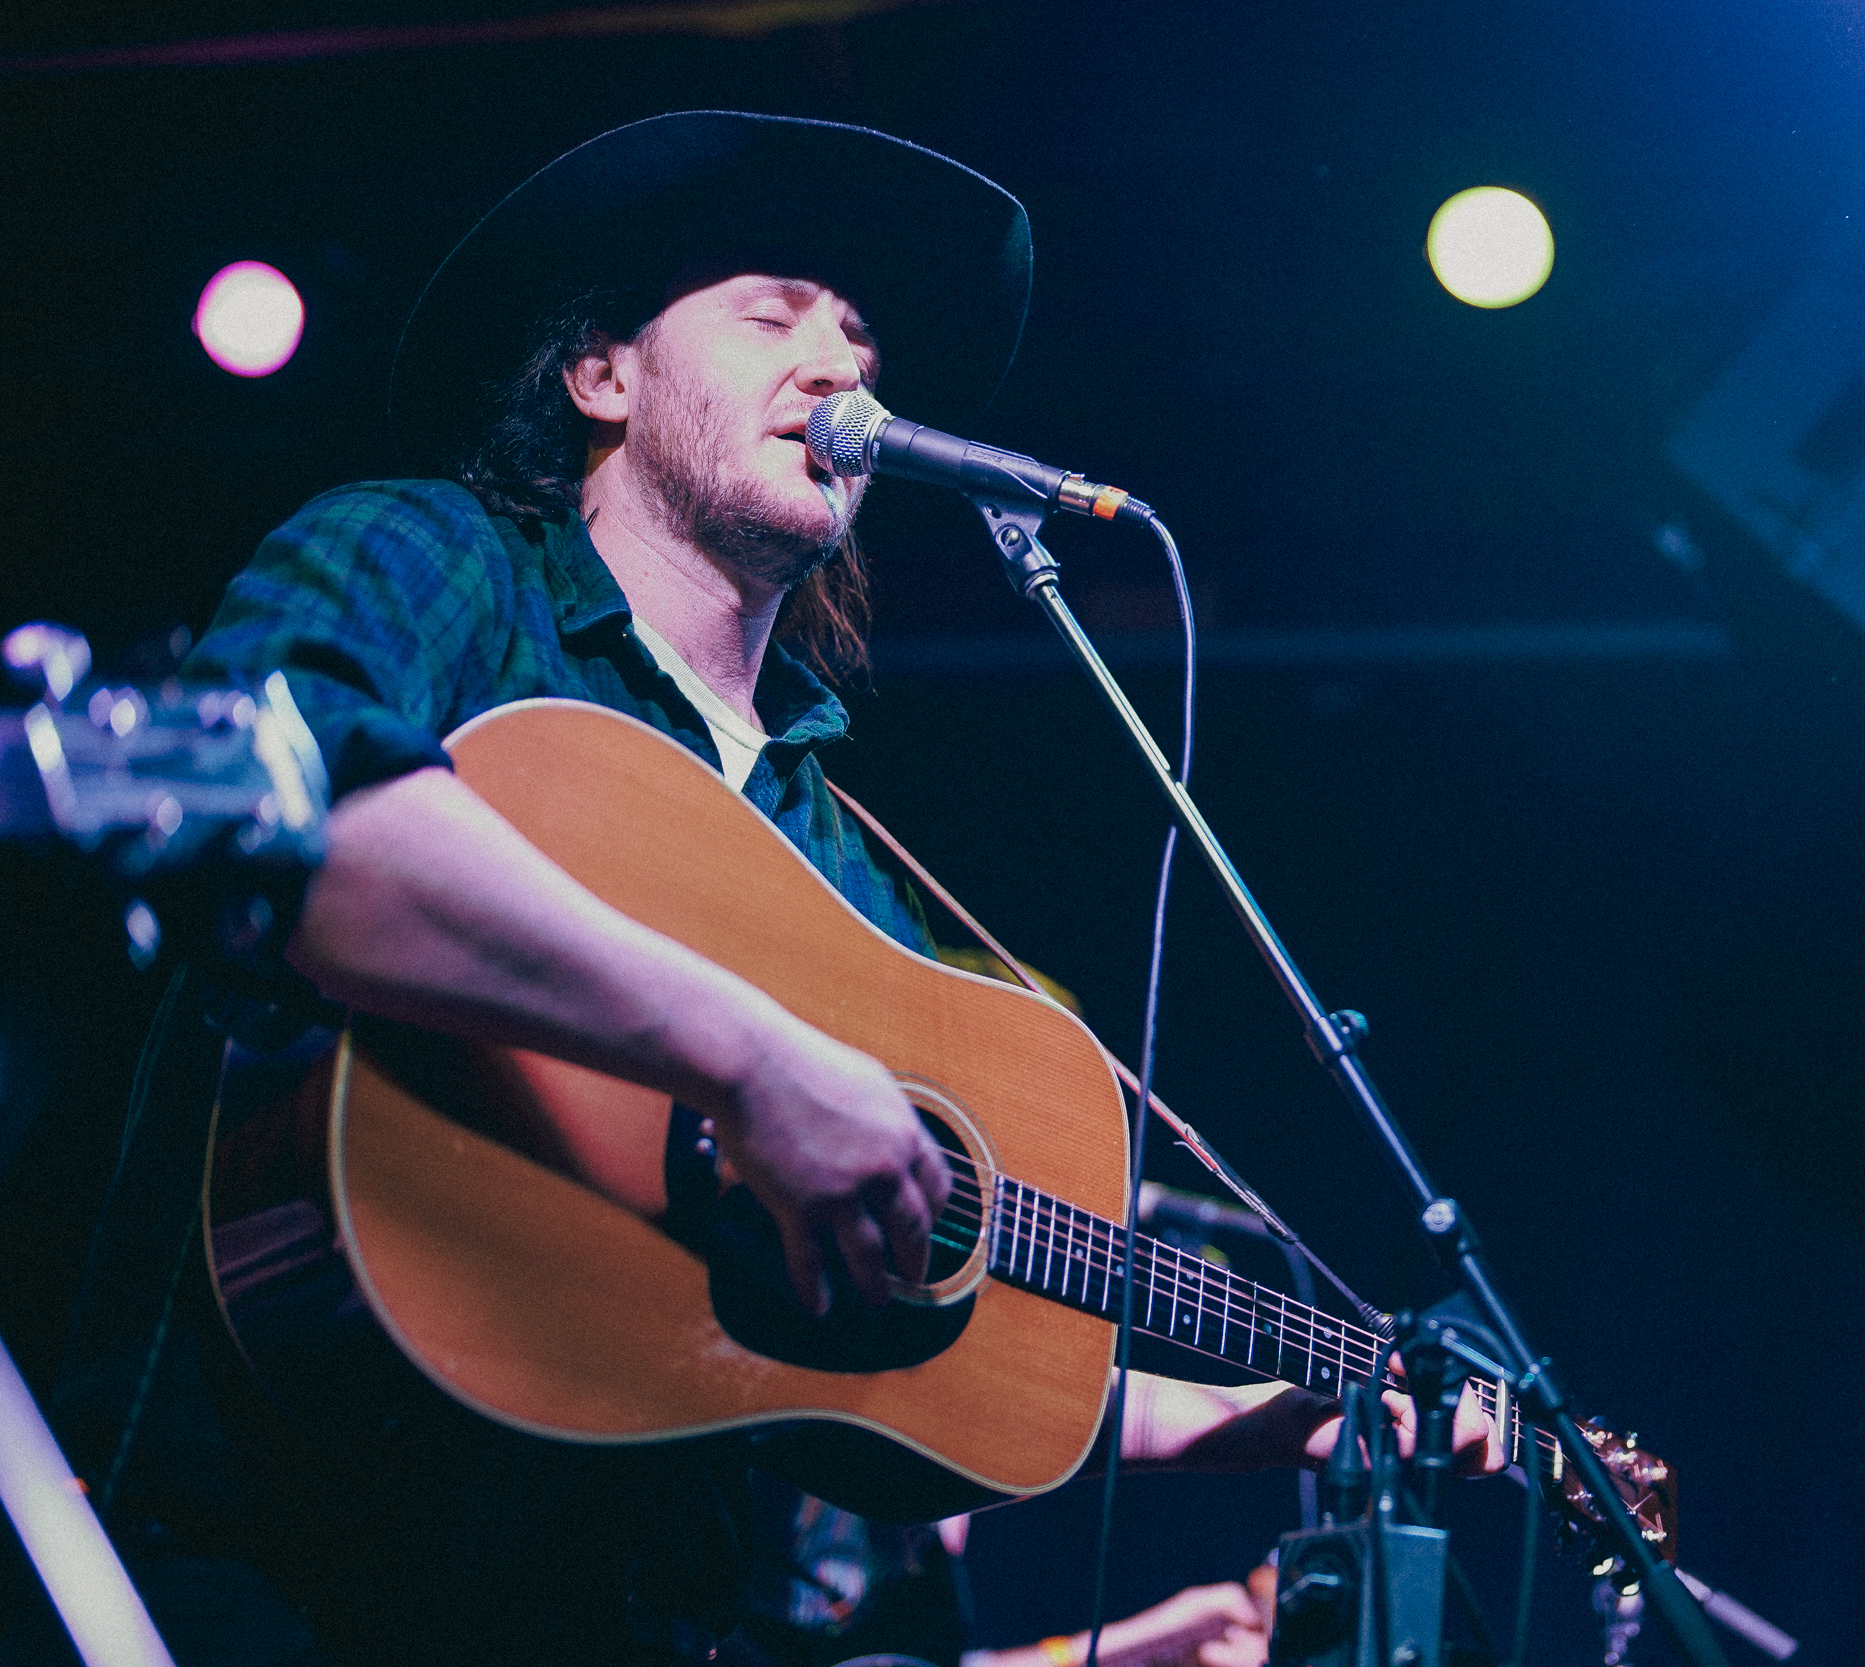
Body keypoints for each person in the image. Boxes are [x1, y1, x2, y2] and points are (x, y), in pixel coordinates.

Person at [159, 113, 1491, 1665]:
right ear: (603, 375)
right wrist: (748, 1053)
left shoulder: (838, 857)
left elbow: (886, 1344)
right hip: (271, 1573)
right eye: (771, 311)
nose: (839, 363)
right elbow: (286, 821)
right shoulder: (434, 559)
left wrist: (1245, 1420)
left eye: (860, 338)